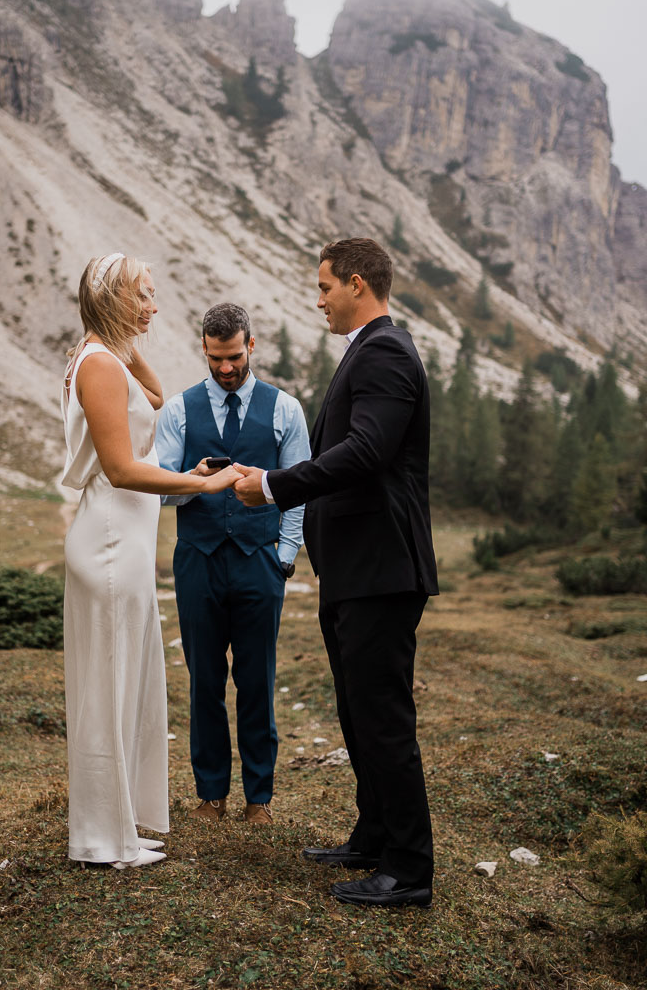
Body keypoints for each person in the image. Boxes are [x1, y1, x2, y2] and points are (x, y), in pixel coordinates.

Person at [233, 238, 439, 907]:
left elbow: (368, 450)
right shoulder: (369, 351)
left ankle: (408, 870)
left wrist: (274, 487)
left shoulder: (383, 350)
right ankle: (374, 836)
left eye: (323, 287)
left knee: (382, 717)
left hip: (381, 568)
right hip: (355, 569)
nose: (317, 299)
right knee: (357, 711)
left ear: (356, 284)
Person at [61, 253, 240, 869]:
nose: (154, 307)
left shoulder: (104, 357)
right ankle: (101, 839)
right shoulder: (100, 365)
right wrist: (202, 486)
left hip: (122, 541)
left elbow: (157, 398)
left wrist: (121, 335)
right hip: (111, 540)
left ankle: (117, 824)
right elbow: (120, 468)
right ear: (113, 298)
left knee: (124, 684)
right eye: (143, 295)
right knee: (109, 689)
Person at [155, 303, 310, 824]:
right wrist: (195, 480)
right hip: (197, 561)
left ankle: (259, 798)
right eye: (218, 357)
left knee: (257, 679)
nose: (226, 368)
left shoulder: (285, 408)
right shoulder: (178, 410)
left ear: (251, 346)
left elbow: (300, 491)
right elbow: (160, 493)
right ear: (204, 348)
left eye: (235, 357)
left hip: (258, 561)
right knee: (204, 680)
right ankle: (210, 793)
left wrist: (284, 558)